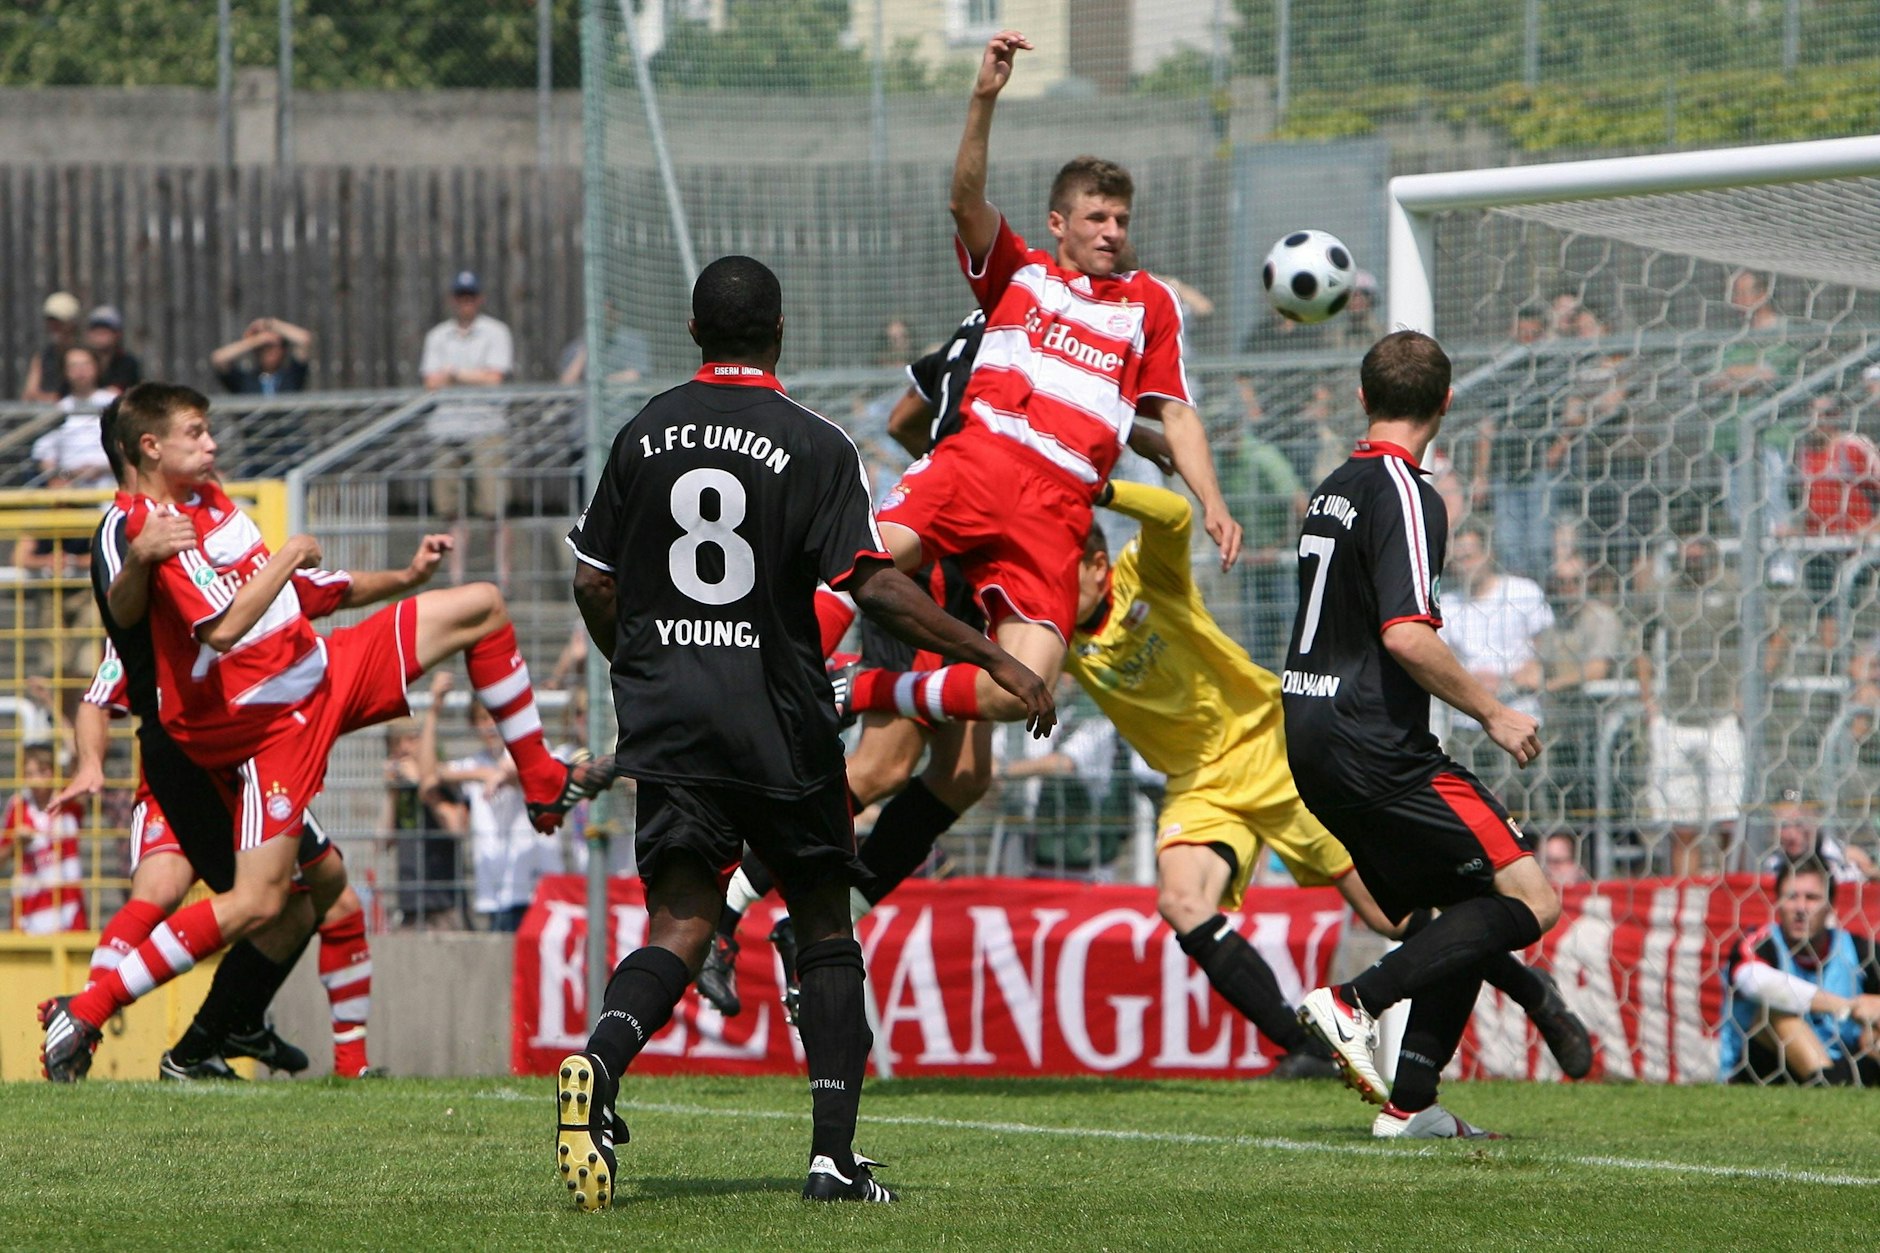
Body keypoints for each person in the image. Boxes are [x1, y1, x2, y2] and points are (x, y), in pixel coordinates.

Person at [559, 255, 1052, 1209]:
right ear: (779, 332)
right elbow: (874, 585)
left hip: (673, 718)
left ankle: (601, 1061)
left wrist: (643, 663)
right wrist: (992, 654)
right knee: (825, 924)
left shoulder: (643, 432)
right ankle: (833, 1158)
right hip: (778, 719)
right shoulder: (815, 442)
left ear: (695, 333)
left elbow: (591, 579)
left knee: (681, 920)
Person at [38, 382, 610, 1082]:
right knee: (247, 900)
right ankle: (92, 1012)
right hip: (256, 726)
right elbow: (209, 627)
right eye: (196, 432)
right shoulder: (142, 526)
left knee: (482, 606)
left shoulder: (208, 500)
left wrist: (404, 576)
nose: (212, 443)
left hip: (324, 670)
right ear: (150, 447)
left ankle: (542, 781)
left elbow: (296, 592)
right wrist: (284, 554)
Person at [1071, 477, 1588, 1081]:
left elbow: (1171, 515)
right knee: (1181, 901)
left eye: (1058, 575)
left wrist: (1092, 486)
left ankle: (1533, 993)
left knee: (1393, 917)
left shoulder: (1144, 577)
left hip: (1273, 752)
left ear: (1098, 565)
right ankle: (1307, 1048)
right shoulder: (1052, 632)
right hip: (1198, 782)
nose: (1045, 592)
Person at [845, 29, 1241, 739]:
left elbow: (1178, 414)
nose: (1112, 231)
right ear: (1059, 223)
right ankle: (744, 669)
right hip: (979, 460)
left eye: (1121, 219)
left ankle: (861, 686)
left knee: (1023, 690)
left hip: (1059, 506)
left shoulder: (1150, 303)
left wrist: (1212, 501)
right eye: (1097, 217)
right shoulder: (1021, 272)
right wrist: (983, 98)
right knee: (846, 562)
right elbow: (965, 201)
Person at [1284, 330, 1563, 1139]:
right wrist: (1493, 711)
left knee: (1468, 900)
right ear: (1446, 403)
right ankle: (1354, 1003)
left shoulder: (1333, 487)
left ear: (1363, 398)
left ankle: (1412, 1102)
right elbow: (1406, 634)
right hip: (1375, 743)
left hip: (1309, 731)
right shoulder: (1406, 491)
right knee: (1533, 898)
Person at [1634, 537, 1783, 878]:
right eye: (1686, 543)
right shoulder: (1664, 591)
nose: (1693, 551)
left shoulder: (1736, 587)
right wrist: (1649, 701)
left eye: (1699, 543)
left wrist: (1750, 690)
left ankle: (1732, 895)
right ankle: (1688, 898)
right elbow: (1641, 645)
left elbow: (1776, 635)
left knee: (1730, 820)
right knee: (1681, 825)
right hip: (1675, 719)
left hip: (1722, 719)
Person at [1722, 857, 1880, 1085]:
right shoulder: (1760, 942)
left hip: (1846, 1060)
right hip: (1765, 1068)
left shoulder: (1859, 950)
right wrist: (1845, 1007)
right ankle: (1828, 1082)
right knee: (1775, 1014)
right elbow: (1754, 981)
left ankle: (1839, 1080)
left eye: (1812, 898)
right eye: (1791, 897)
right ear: (1778, 903)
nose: (1801, 908)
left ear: (1831, 906)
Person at [1440, 518, 1553, 812]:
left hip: (1519, 714)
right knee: (1472, 806)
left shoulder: (1522, 592)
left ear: (1489, 553)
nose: (1464, 565)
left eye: (1470, 555)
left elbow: (1546, 655)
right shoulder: (1447, 604)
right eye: (1458, 558)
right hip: (1467, 720)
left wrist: (1507, 681)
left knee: (1524, 806)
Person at [421, 270, 515, 564]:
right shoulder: (437, 336)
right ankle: (456, 581)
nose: (466, 302)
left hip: (487, 427)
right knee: (450, 513)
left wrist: (454, 374)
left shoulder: (496, 332)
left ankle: (503, 580)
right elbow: (431, 382)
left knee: (494, 509)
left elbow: (495, 378)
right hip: (445, 428)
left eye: (471, 296)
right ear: (453, 299)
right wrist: (474, 376)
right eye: (461, 296)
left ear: (480, 298)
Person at [384, 711, 467, 930]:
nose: (404, 748)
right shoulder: (399, 788)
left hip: (444, 903)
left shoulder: (444, 779)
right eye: (396, 742)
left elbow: (456, 828)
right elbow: (383, 842)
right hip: (409, 904)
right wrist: (392, 793)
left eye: (411, 739)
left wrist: (421, 783)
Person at [1, 743, 87, 934]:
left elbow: (84, 782)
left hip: (68, 910)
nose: (36, 780)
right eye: (29, 774)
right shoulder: (18, 806)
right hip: (28, 912)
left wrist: (77, 752)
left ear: (53, 772)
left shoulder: (67, 800)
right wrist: (16, 843)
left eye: (42, 772)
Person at [1758, 789, 1875, 886]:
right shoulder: (1772, 867)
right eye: (1783, 826)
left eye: (1799, 823)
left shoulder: (1850, 862)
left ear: (1817, 820)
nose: (1792, 834)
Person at [211, 317, 313, 395]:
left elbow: (304, 340)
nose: (270, 352)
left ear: (283, 350)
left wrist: (270, 324)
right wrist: (256, 340)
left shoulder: (292, 376)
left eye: (274, 347)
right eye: (264, 347)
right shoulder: (245, 380)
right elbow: (219, 358)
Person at [21, 291, 82, 402]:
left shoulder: (85, 355)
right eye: (51, 321)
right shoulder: (43, 356)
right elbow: (29, 395)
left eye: (59, 322)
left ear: (72, 323)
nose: (54, 326)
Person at [83, 305, 142, 393]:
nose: (100, 334)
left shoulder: (127, 363)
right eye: (96, 330)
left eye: (106, 330)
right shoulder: (82, 360)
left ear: (118, 334)